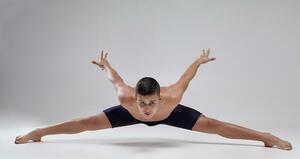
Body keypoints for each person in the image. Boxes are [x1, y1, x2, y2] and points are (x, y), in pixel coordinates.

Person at [15, 49, 292, 150]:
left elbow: (187, 77)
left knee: (216, 125)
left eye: (151, 103)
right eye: (142, 102)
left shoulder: (172, 97)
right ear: (135, 97)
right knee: (85, 122)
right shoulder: (126, 97)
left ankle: (266, 137)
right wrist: (105, 65)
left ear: (160, 97)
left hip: (172, 116)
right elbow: (115, 78)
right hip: (128, 116)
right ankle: (39, 133)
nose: (146, 109)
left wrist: (198, 60)